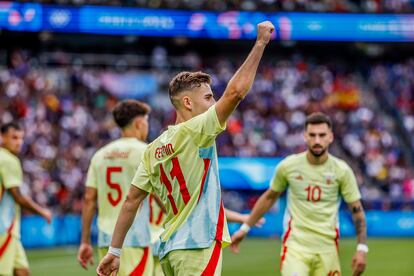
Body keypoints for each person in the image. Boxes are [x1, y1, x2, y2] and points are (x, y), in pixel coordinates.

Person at [96, 21, 275, 276]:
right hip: (198, 245)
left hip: (170, 249)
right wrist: (260, 44)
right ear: (188, 102)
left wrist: (114, 251)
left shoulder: (153, 148)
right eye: (209, 97)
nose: (214, 102)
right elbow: (235, 93)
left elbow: (130, 201)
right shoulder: (198, 131)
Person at [230, 112, 368, 276]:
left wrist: (361, 248)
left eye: (322, 135)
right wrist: (245, 228)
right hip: (296, 246)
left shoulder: (342, 170)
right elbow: (269, 197)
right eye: (312, 135)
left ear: (330, 137)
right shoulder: (289, 166)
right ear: (305, 136)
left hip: (328, 247)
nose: (317, 140)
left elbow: (357, 210)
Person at [77, 100, 154, 276]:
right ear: (139, 123)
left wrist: (85, 241)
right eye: (146, 122)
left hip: (106, 239)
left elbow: (89, 200)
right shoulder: (146, 151)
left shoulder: (100, 155)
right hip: (135, 237)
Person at [0, 122, 52, 276]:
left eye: (21, 138)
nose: (19, 142)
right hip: (4, 228)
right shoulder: (8, 160)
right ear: (2, 137)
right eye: (14, 138)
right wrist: (42, 211)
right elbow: (17, 196)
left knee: (22, 271)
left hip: (11, 230)